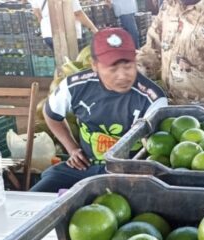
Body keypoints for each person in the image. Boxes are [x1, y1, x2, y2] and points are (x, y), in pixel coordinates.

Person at [31, 28, 167, 192]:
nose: (123, 75)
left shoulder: (152, 98)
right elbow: (51, 113)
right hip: (86, 167)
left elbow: (157, 148)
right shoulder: (74, 86)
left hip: (128, 173)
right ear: (95, 65)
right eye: (113, 68)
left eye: (128, 66)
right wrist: (72, 149)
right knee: (42, 189)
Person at [30, 0, 98, 51]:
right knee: (74, 63)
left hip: (48, 34)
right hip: (68, 34)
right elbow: (78, 14)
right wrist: (94, 30)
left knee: (64, 64)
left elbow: (37, 12)